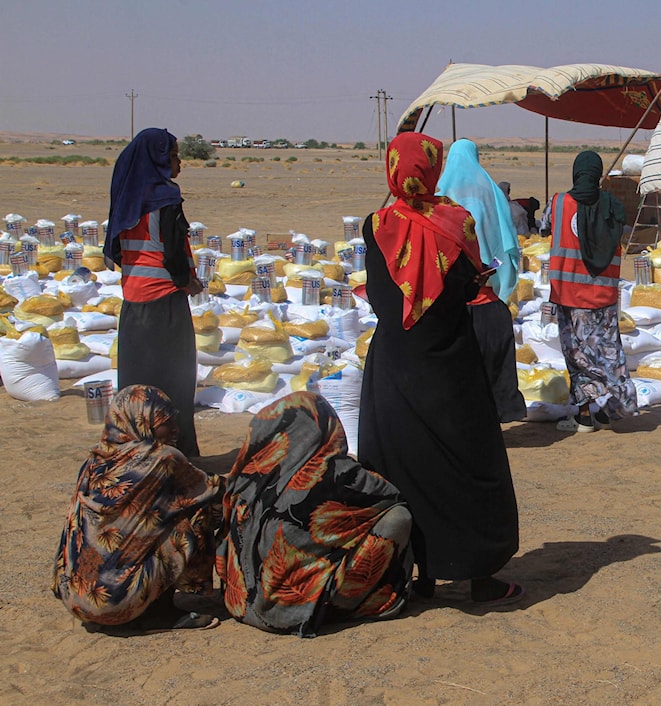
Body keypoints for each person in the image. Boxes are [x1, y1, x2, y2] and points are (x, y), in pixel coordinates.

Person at [357, 132, 521, 605]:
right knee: (470, 464)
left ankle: (417, 575)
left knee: (403, 466)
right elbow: (469, 288)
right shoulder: (457, 222)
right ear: (432, 168)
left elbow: (379, 292)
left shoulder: (375, 224)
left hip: (394, 365)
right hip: (450, 364)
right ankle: (479, 576)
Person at [217, 392, 414, 636]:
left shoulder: (250, 473)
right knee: (397, 517)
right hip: (293, 612)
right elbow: (391, 496)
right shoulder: (337, 473)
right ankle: (345, 602)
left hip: (243, 603)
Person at [52, 385, 223, 630]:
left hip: (76, 598)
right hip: (115, 601)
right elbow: (214, 490)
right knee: (197, 510)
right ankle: (158, 613)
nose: (175, 429)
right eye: (165, 422)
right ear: (141, 422)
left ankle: (135, 603)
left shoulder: (94, 460)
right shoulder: (162, 458)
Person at [105, 128, 203, 457]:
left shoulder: (127, 197)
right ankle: (177, 455)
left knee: (137, 384)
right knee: (173, 381)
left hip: (134, 303)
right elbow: (173, 251)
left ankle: (133, 452)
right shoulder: (165, 197)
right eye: (174, 155)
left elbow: (119, 250)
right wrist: (188, 282)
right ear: (159, 159)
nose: (179, 163)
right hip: (165, 302)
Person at [546, 151, 638, 430]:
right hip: (603, 298)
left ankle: (586, 414)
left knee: (577, 355)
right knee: (608, 353)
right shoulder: (613, 207)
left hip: (569, 296)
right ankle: (613, 407)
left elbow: (544, 226)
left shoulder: (560, 203)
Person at [437, 141, 527, 423]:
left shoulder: (440, 197)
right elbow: (507, 244)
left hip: (451, 302)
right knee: (493, 367)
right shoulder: (491, 194)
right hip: (487, 297)